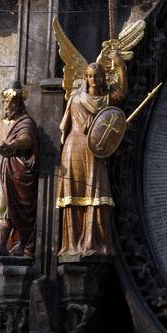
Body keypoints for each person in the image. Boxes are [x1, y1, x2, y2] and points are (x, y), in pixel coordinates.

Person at [57, 53, 126, 258]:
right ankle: (73, 243)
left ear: (103, 78)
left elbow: (121, 93)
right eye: (89, 76)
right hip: (76, 146)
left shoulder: (105, 98)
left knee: (97, 194)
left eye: (97, 76)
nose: (93, 80)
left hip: (95, 150)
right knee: (75, 195)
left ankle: (94, 241)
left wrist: (121, 67)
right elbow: (90, 126)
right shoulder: (77, 99)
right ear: (85, 78)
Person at [0, 80, 39, 259]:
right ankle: (2, 245)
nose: (8, 106)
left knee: (21, 210)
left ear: (20, 104)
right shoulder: (2, 124)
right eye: (6, 102)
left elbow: (26, 139)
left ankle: (24, 243)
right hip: (4, 174)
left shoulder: (26, 122)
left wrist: (14, 145)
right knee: (3, 209)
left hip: (19, 173)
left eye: (13, 102)